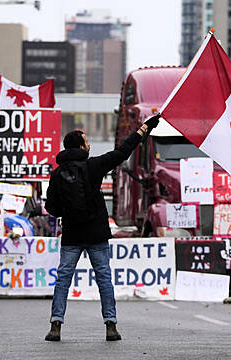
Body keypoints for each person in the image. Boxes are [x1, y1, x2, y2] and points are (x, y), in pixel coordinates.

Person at [44, 114, 161, 341]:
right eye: (87, 142)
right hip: (96, 234)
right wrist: (145, 128)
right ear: (80, 145)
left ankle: (55, 325)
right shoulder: (94, 166)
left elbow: (52, 208)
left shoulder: (56, 174)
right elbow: (123, 151)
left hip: (71, 235)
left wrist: (69, 211)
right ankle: (111, 325)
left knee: (63, 279)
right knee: (104, 278)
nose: (90, 145)